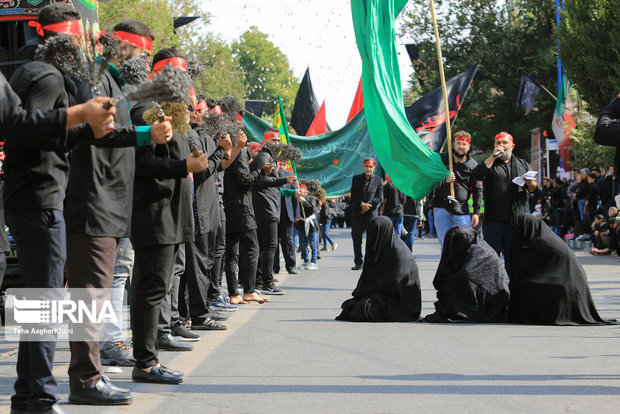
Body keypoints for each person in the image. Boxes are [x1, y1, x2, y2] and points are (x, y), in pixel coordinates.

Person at [5, 5, 129, 412]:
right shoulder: (45, 75)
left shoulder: (36, 71)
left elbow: (45, 133)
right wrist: (79, 115)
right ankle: (38, 397)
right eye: (80, 41)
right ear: (66, 39)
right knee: (46, 301)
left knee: (41, 301)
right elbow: (23, 127)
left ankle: (28, 394)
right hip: (38, 198)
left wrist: (84, 127)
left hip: (38, 197)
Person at [507, 214, 611, 325]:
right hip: (567, 283)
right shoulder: (542, 238)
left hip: (566, 286)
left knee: (527, 285)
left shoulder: (543, 243)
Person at [472, 132, 537, 272]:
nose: (501, 146)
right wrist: (493, 157)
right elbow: (477, 175)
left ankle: (513, 291)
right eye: (498, 143)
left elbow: (533, 189)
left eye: (504, 143)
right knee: (491, 260)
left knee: (515, 261)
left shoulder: (522, 164)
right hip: (494, 221)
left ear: (512, 146)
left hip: (516, 222)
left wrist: (530, 182)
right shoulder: (489, 163)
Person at [336, 216, 421, 322]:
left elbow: (393, 284)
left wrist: (366, 290)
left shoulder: (398, 253)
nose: (372, 238)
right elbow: (369, 272)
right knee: (352, 307)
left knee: (363, 308)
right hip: (384, 295)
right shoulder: (384, 246)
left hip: (400, 301)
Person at [422, 226, 509, 323]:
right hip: (496, 300)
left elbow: (465, 275)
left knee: (454, 282)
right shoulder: (477, 246)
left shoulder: (481, 255)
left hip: (491, 301)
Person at [250, 128, 298, 294]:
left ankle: (259, 281)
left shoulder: (269, 158)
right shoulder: (264, 157)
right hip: (266, 206)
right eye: (273, 140)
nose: (277, 143)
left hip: (268, 205)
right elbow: (261, 181)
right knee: (270, 245)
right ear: (264, 141)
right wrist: (285, 179)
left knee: (264, 246)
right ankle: (268, 283)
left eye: (278, 141)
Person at [430, 131, 482, 250]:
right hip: (441, 208)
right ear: (453, 144)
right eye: (458, 143)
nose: (461, 147)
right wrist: (445, 181)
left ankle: (461, 269)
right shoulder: (442, 159)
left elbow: (478, 190)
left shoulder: (473, 165)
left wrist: (476, 212)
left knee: (463, 245)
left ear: (468, 147)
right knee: (445, 245)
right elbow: (431, 184)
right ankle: (446, 268)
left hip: (461, 210)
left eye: (464, 144)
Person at [349, 158, 384, 270]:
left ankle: (371, 263)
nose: (368, 169)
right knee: (357, 239)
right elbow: (353, 196)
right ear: (363, 167)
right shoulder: (356, 179)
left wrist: (368, 205)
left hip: (371, 214)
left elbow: (379, 198)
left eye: (371, 167)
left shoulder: (378, 180)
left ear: (373, 168)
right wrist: (361, 205)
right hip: (357, 214)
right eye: (366, 166)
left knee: (372, 239)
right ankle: (358, 262)